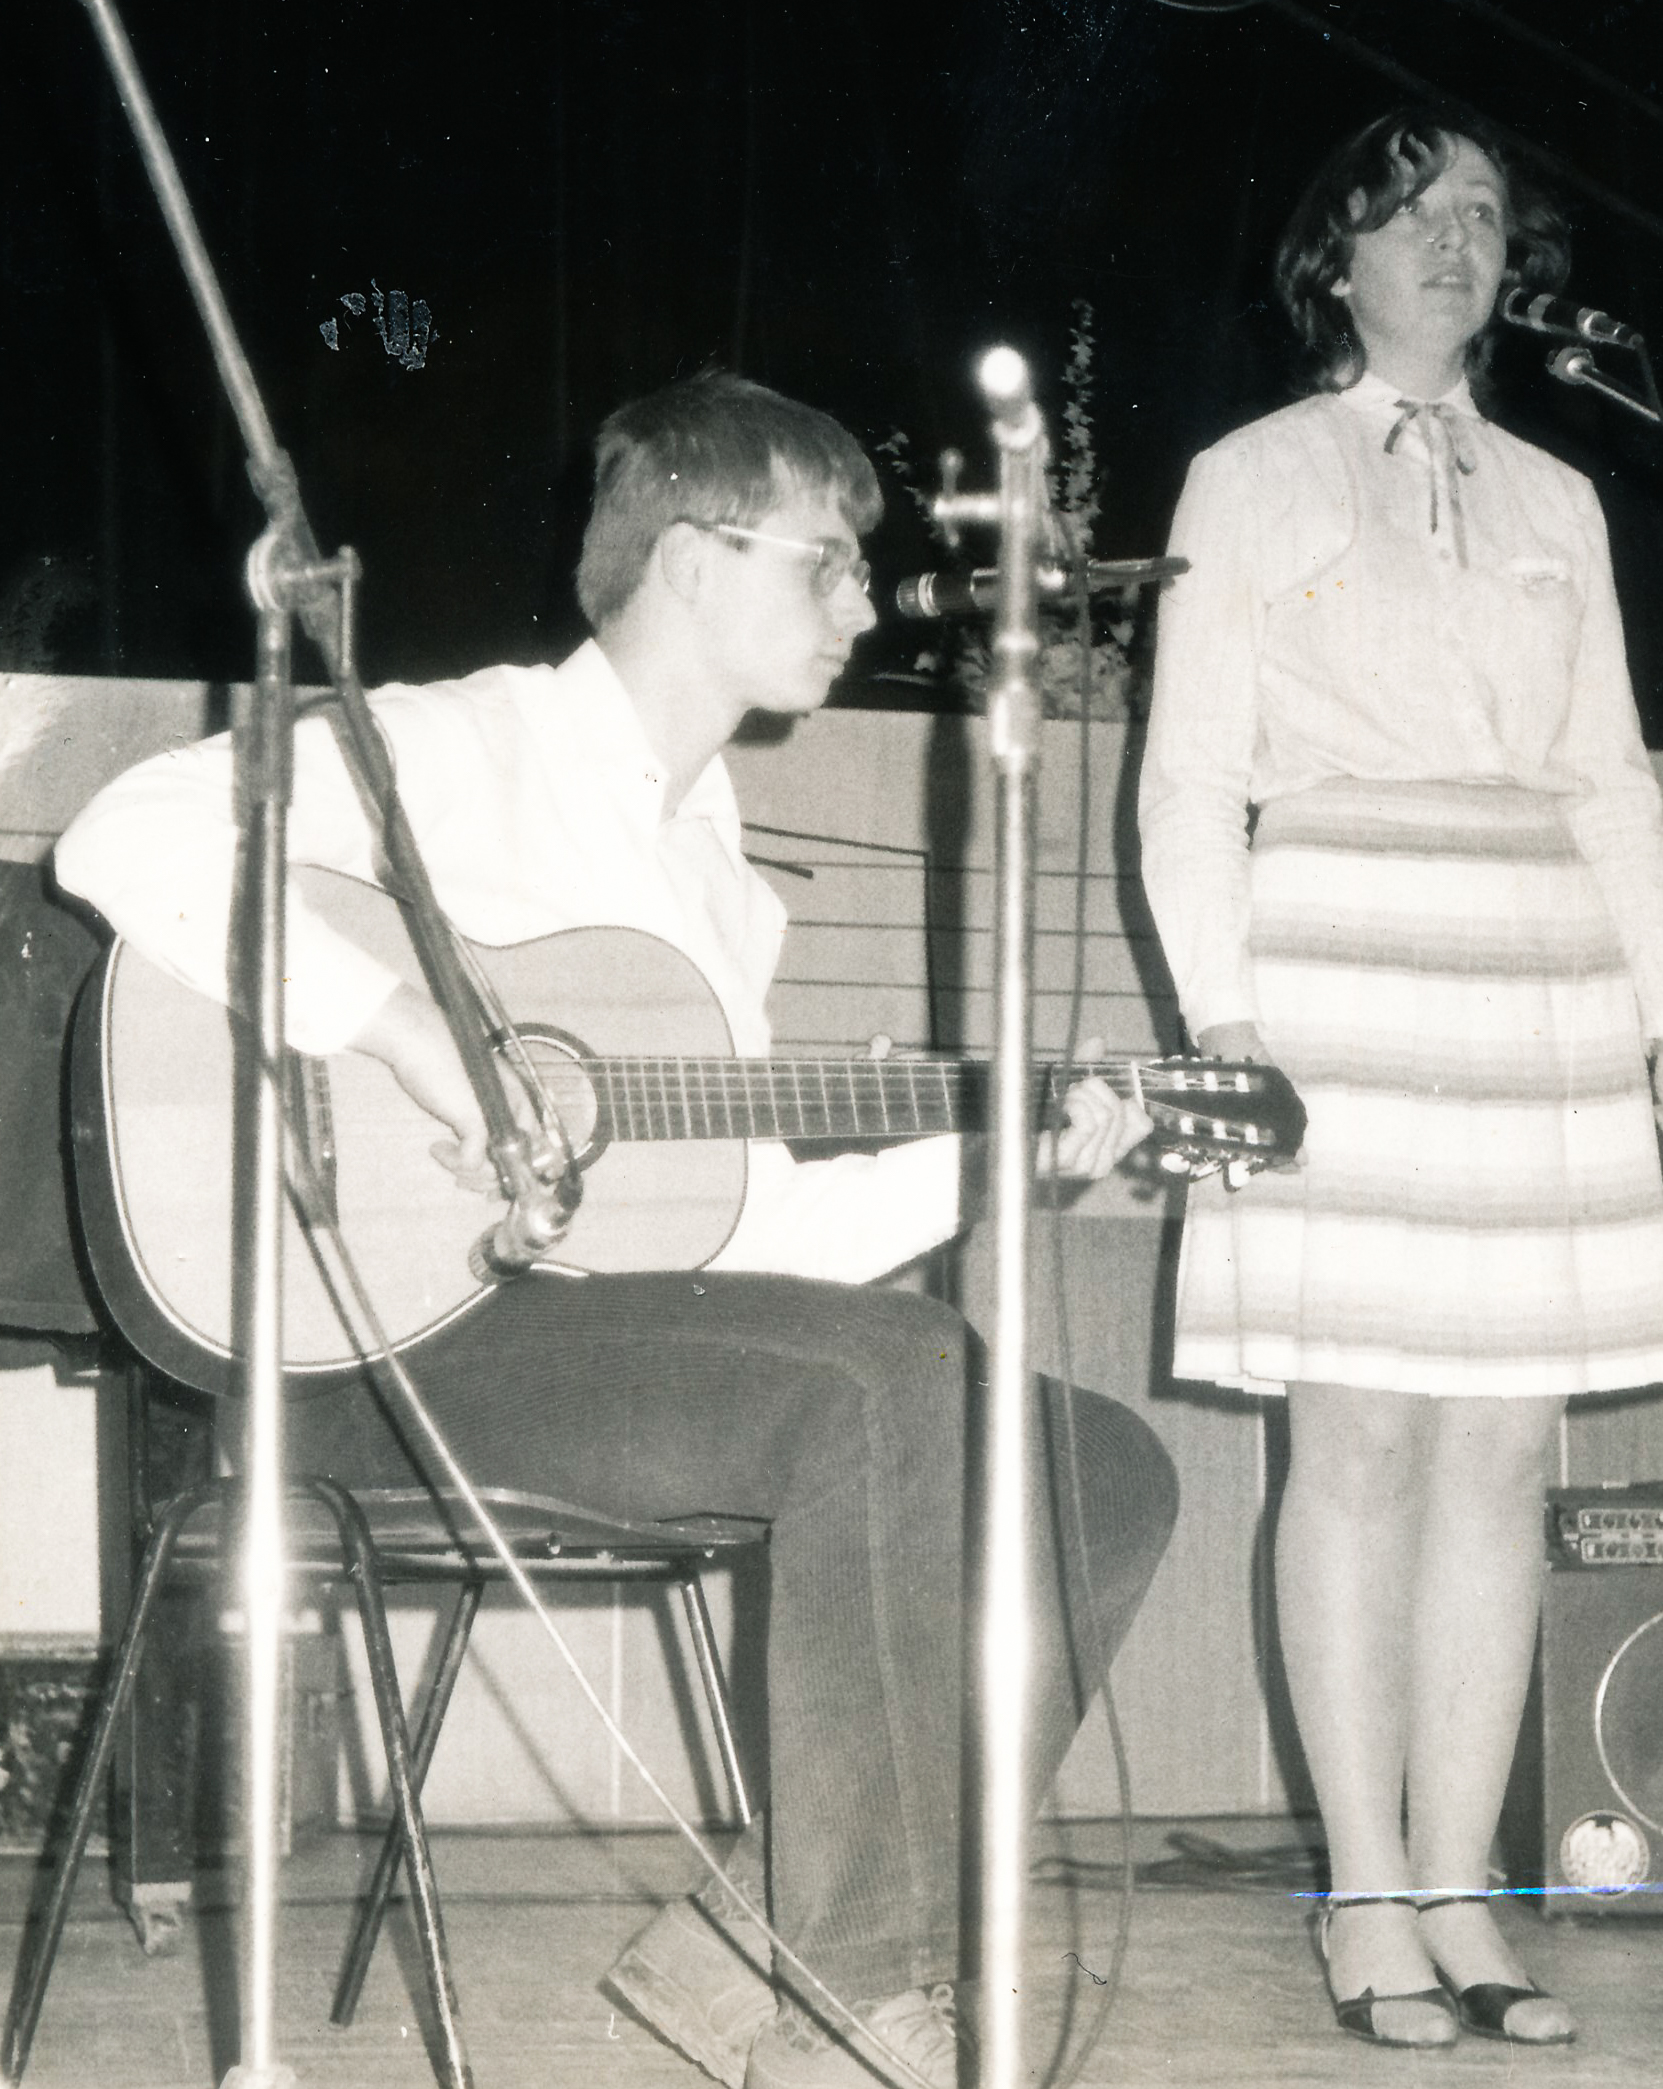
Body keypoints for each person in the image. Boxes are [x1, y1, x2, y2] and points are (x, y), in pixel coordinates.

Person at [56, 367, 1177, 2089]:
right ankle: (850, 2002)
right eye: (825, 560)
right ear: (692, 560)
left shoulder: (719, 884)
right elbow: (122, 832)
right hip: (366, 1343)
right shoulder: (466, 745)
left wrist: (998, 1157)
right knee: (889, 1376)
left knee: (1100, 1463)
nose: (863, 603)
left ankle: (754, 1950)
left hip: (592, 1343)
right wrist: (415, 1037)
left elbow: (753, 1246)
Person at [1139, 107, 1663, 2050]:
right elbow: (1191, 778)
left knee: (1504, 1456)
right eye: (1409, 208)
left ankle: (1465, 1891)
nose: (1453, 239)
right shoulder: (1246, 476)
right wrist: (1225, 1020)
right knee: (1353, 1445)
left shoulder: (1559, 496)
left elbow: (1609, 777)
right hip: (1335, 969)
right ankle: (1364, 1893)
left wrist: (1659, 1012)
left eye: (1483, 214)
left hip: (1537, 981)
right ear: (1333, 257)